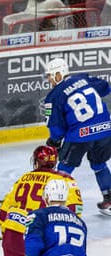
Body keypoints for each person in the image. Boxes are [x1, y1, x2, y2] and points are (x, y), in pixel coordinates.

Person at [43, 57, 111, 216]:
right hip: (105, 129)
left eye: (50, 75)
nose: (49, 79)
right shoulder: (82, 78)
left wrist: (54, 141)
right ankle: (109, 200)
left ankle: (54, 202)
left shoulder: (54, 96)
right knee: (99, 163)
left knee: (63, 170)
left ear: (59, 75)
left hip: (80, 136)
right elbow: (106, 87)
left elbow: (57, 128)